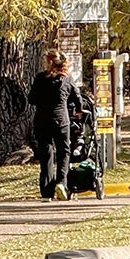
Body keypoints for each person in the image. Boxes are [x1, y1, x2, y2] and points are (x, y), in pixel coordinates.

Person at [28, 48, 83, 200]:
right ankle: (62, 182)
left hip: (42, 120)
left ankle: (46, 191)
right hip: (61, 120)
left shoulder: (40, 78)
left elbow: (31, 99)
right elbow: (78, 99)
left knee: (46, 154)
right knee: (63, 152)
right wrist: (77, 111)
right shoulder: (67, 79)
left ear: (49, 62)